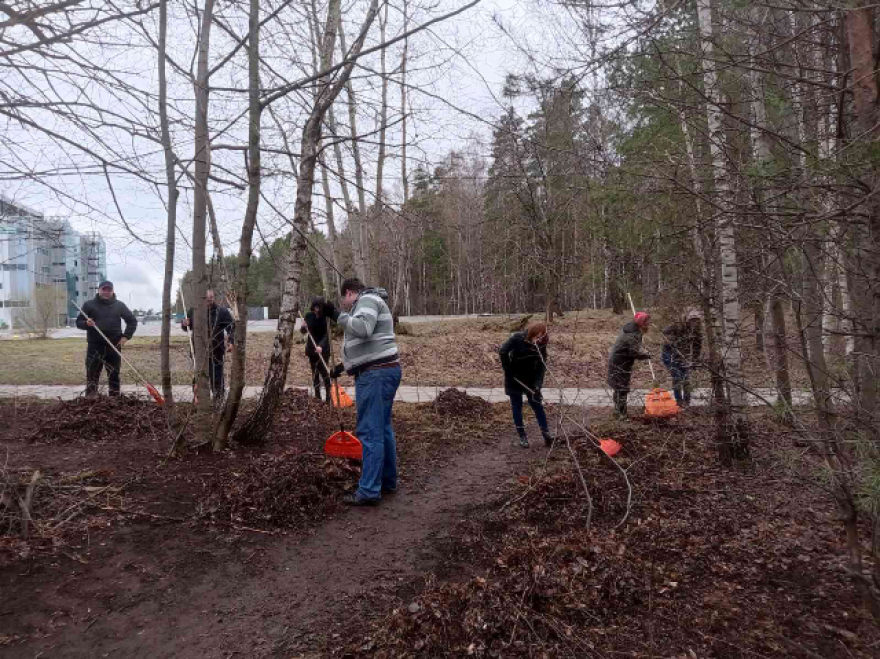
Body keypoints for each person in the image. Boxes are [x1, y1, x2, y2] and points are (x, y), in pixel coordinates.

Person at [325, 278, 401, 506]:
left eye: (345, 301)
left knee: (369, 432)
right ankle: (388, 481)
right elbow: (369, 345)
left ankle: (368, 491)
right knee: (383, 428)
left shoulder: (367, 299)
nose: (346, 305)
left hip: (375, 375)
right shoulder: (372, 301)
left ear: (349, 293)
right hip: (382, 370)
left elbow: (363, 329)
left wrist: (335, 313)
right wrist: (343, 367)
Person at [75, 280, 138, 397]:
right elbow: (78, 322)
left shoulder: (119, 305)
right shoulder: (89, 305)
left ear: (113, 291)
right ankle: (90, 399)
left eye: (109, 290)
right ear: (99, 290)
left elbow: (132, 321)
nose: (106, 292)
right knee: (92, 375)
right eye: (104, 289)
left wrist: (126, 336)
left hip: (114, 346)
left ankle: (114, 400)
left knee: (114, 375)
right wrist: (86, 323)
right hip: (95, 347)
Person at [499, 322, 554, 448]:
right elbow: (503, 351)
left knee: (537, 405)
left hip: (531, 378)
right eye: (537, 337)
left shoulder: (542, 345)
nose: (539, 340)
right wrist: (508, 369)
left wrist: (538, 385)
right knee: (516, 406)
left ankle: (546, 434)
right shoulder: (517, 338)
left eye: (541, 337)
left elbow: (541, 367)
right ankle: (522, 436)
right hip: (514, 376)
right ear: (531, 334)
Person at [182, 289, 234, 399]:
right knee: (199, 376)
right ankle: (199, 400)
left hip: (216, 351)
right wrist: (184, 323)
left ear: (213, 298)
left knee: (217, 377)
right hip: (198, 351)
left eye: (211, 298)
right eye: (207, 298)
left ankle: (218, 399)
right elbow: (186, 327)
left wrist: (230, 341)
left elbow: (231, 328)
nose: (209, 300)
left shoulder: (221, 311)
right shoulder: (194, 311)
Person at [607, 311, 652, 418]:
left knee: (619, 387)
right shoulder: (634, 334)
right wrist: (646, 355)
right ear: (641, 322)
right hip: (620, 363)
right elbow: (634, 352)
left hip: (618, 360)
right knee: (622, 388)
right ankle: (621, 414)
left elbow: (632, 348)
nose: (648, 324)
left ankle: (618, 412)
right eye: (646, 322)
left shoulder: (630, 328)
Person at [662, 310, 703, 407]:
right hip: (670, 354)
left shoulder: (697, 332)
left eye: (696, 321)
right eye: (692, 320)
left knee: (686, 379)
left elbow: (697, 347)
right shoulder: (678, 325)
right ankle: (679, 402)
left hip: (684, 356)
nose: (694, 323)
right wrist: (671, 341)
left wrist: (694, 360)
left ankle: (687, 401)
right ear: (688, 320)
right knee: (677, 377)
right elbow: (664, 332)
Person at [300, 296, 332, 403]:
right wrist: (303, 327)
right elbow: (303, 331)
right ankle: (317, 397)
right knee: (315, 374)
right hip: (311, 349)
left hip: (323, 350)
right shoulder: (308, 316)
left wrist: (321, 346)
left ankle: (328, 398)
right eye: (315, 306)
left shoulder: (326, 318)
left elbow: (327, 335)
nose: (316, 309)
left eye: (319, 306)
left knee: (325, 373)